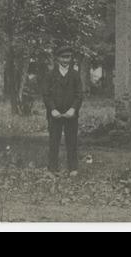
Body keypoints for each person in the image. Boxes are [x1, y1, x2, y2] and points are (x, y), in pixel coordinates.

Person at [42, 45, 83, 176]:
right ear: (57, 58)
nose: (66, 60)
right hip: (55, 115)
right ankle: (52, 168)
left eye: (69, 57)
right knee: (54, 141)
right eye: (63, 57)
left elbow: (79, 95)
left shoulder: (75, 75)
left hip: (71, 115)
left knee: (72, 141)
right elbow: (46, 94)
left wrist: (73, 109)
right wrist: (52, 109)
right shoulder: (49, 74)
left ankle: (73, 168)